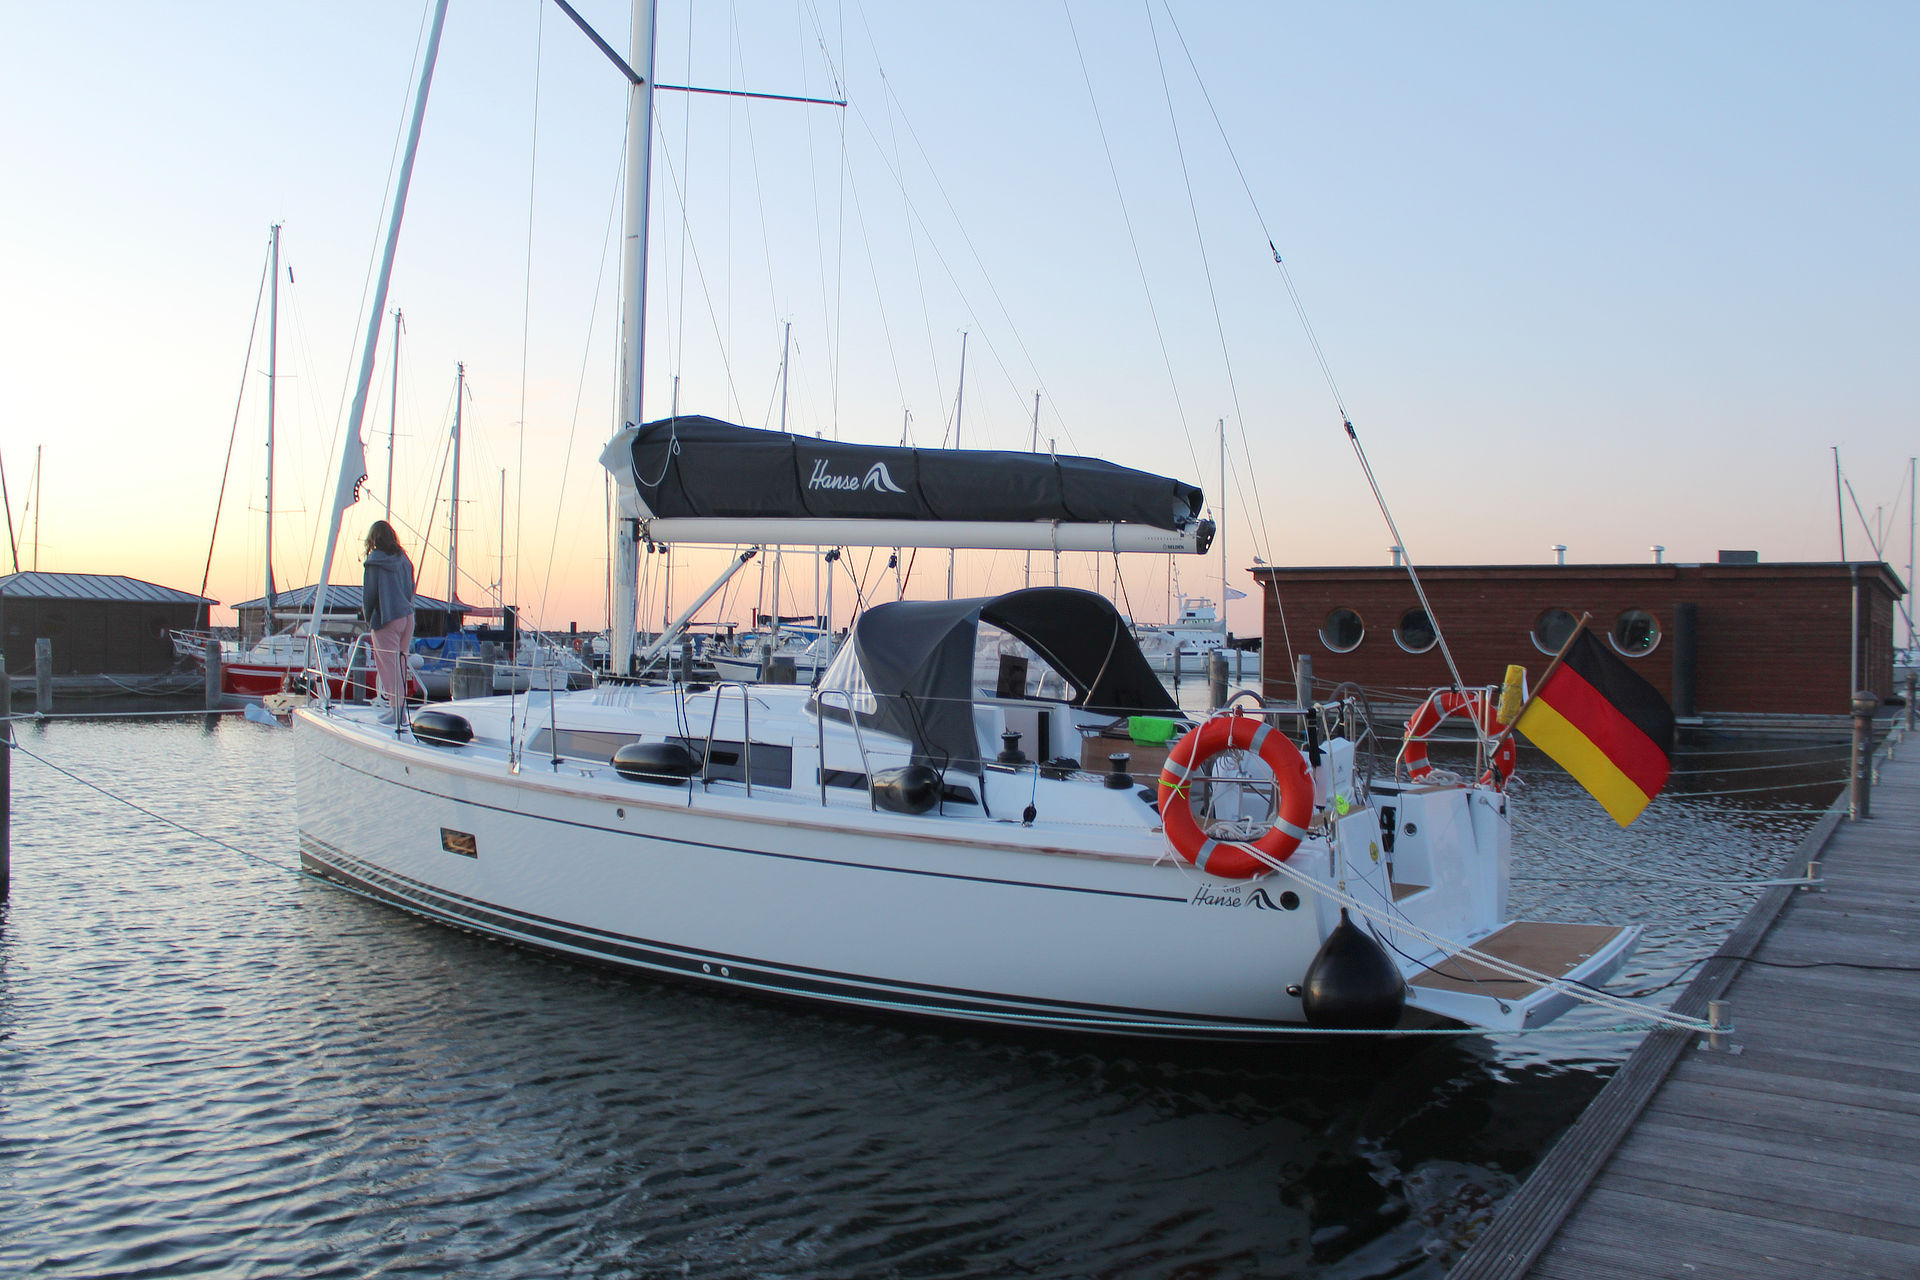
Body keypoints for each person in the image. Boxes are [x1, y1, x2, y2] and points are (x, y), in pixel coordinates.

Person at [363, 520, 416, 724]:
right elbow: (410, 587)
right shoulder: (403, 559)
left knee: (389, 667)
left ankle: (397, 712)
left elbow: (369, 595)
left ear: (373, 538)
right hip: (407, 616)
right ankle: (398, 710)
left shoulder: (374, 561)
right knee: (400, 666)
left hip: (387, 618)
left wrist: (368, 618)